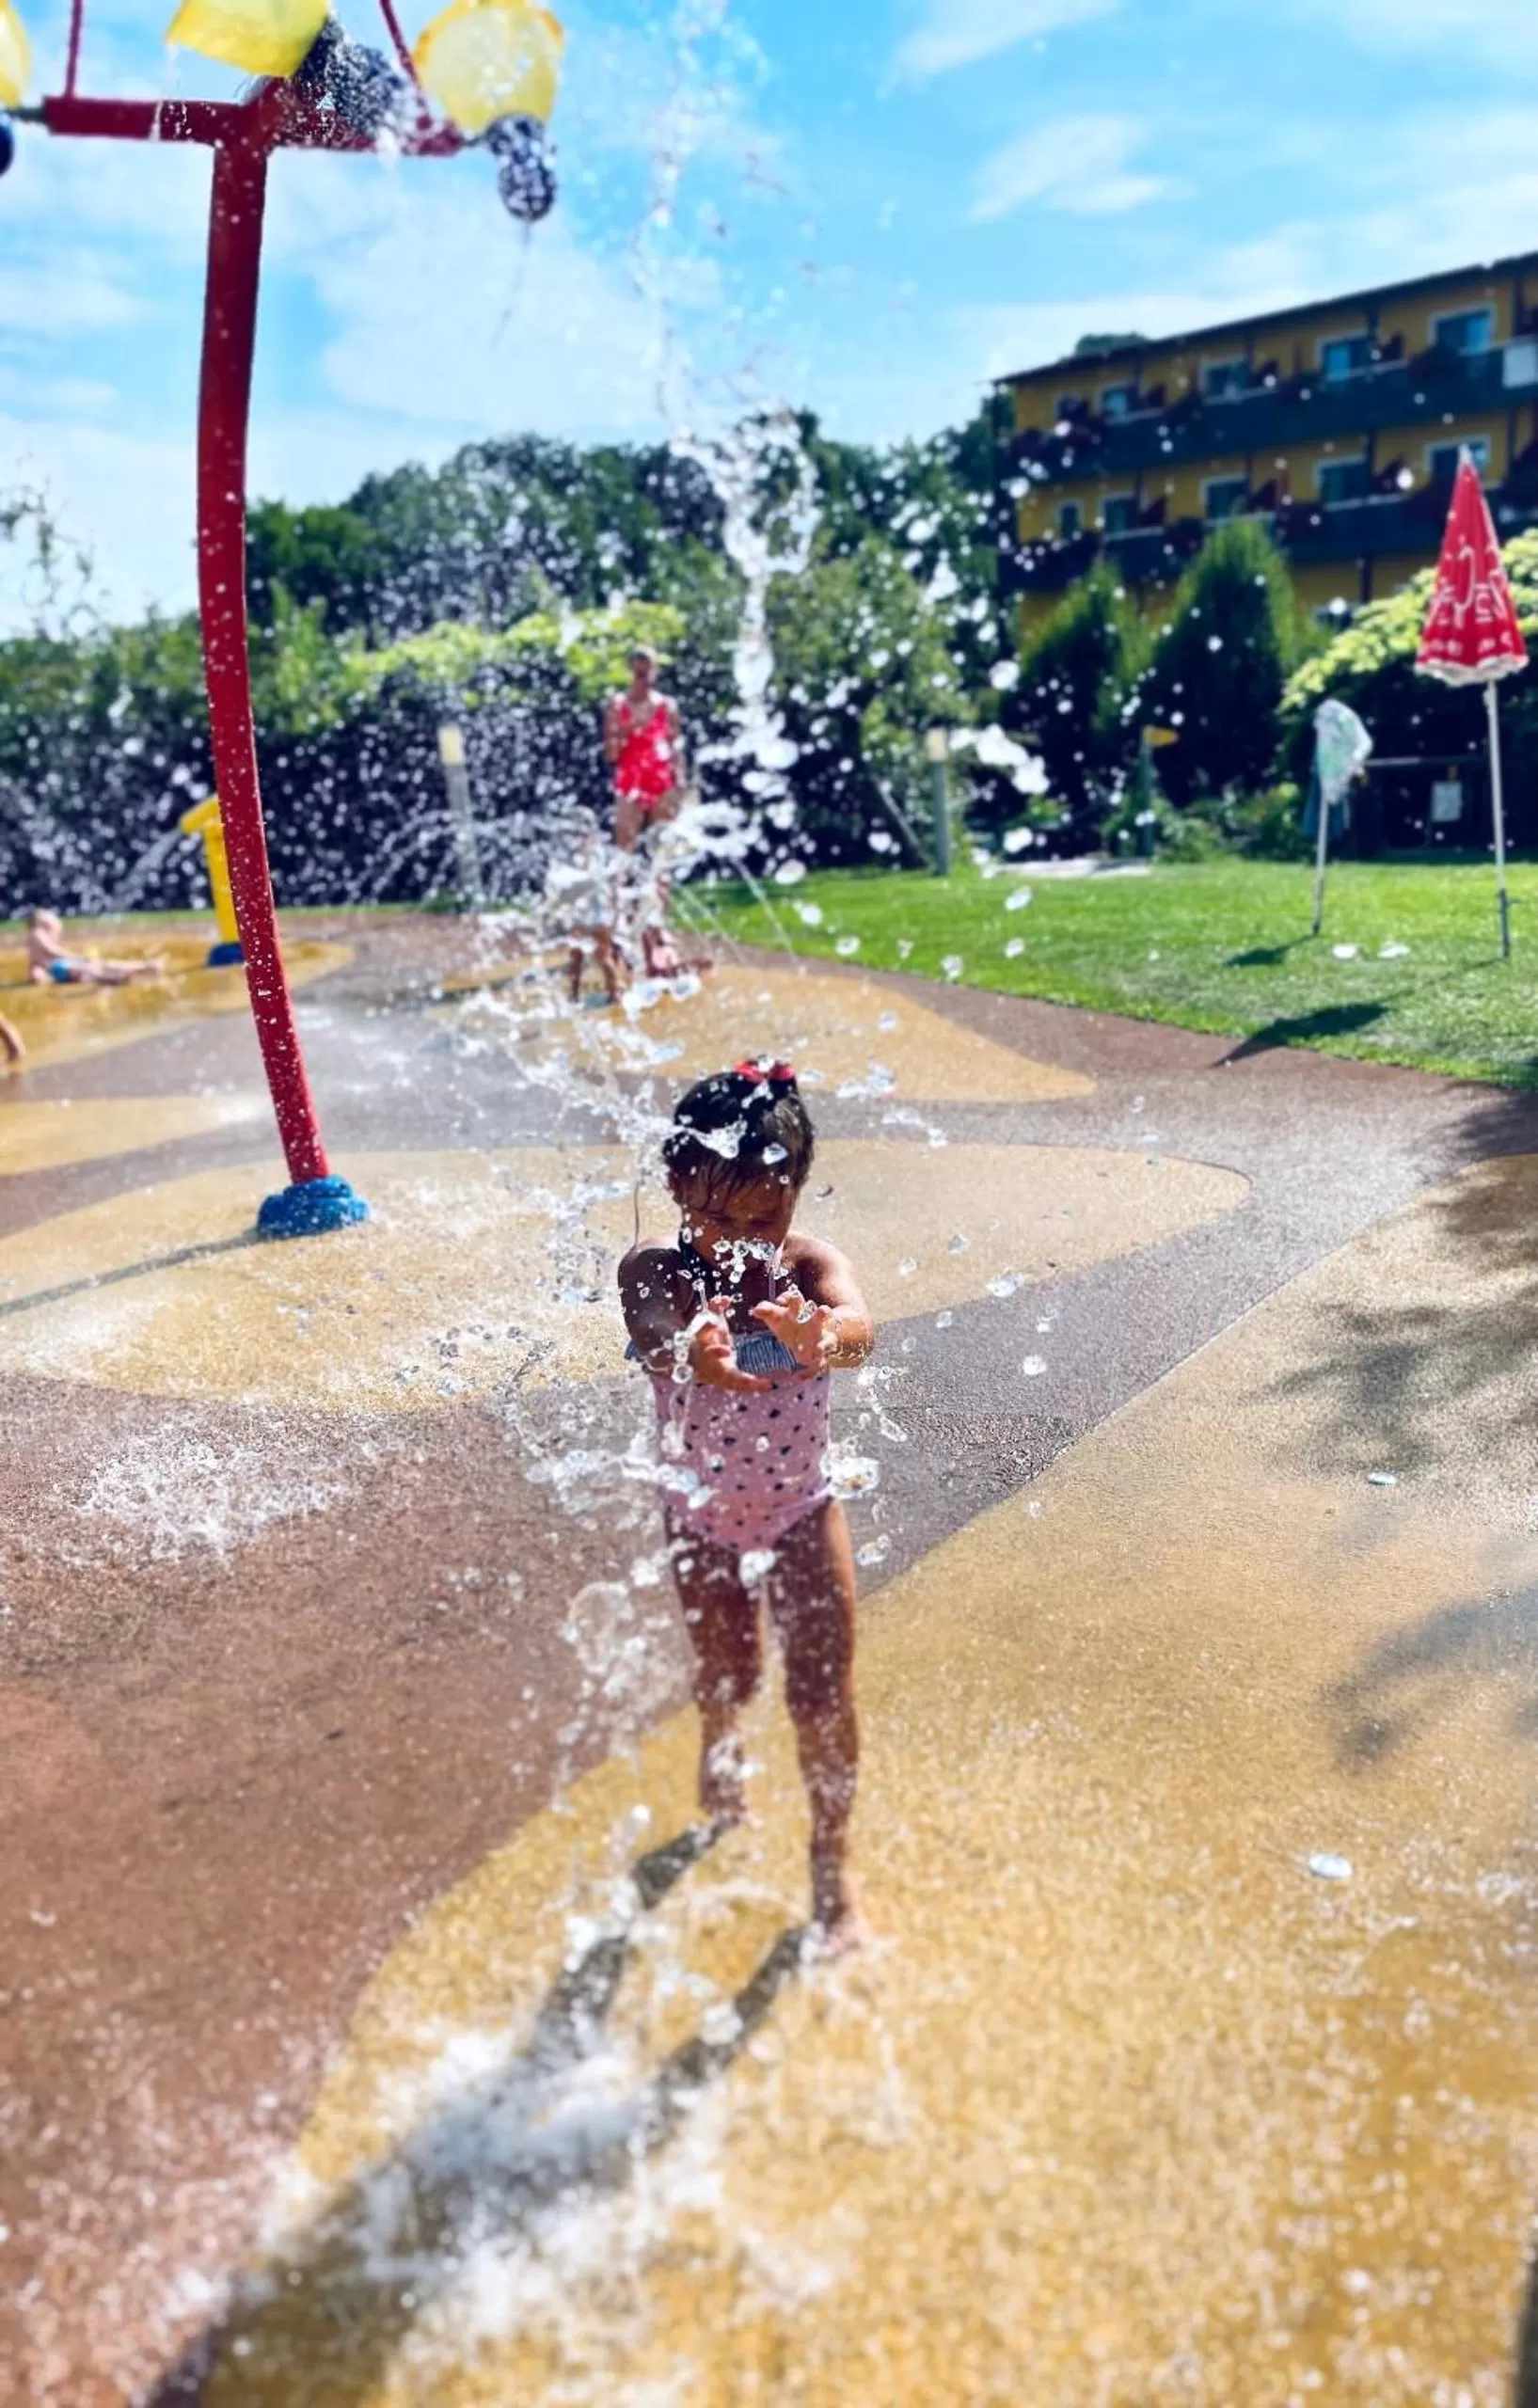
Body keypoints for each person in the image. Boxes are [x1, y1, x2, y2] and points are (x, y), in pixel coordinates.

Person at [618, 1060, 874, 1949]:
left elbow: (857, 1334)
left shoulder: (809, 1266)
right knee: (731, 1673)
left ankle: (829, 1864)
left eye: (761, 1218)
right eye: (714, 1217)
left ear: (796, 1193)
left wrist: (824, 1335)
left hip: (803, 1507)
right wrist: (694, 1354)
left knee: (821, 1693)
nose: (736, 1240)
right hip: (698, 1514)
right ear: (677, 1187)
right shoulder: (654, 1269)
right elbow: (652, 1335)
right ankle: (719, 1740)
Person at [604, 648, 682, 854]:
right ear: (630, 671)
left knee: (663, 847)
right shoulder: (618, 706)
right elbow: (611, 755)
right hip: (630, 779)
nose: (644, 680)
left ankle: (660, 885)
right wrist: (623, 733)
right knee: (624, 847)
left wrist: (680, 784)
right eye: (640, 675)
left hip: (661, 778)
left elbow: (675, 749)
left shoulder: (667, 706)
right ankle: (620, 885)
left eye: (648, 674)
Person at [543, 816, 626, 1006]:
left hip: (587, 912)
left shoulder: (577, 855)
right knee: (593, 955)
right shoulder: (599, 852)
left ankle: (578, 995)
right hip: (595, 912)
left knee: (582, 956)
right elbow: (611, 884)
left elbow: (562, 884)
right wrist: (615, 908)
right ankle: (612, 992)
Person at [26, 908, 165, 987]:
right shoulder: (36, 932)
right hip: (59, 966)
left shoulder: (35, 937)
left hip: (58, 968)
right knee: (94, 968)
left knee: (92, 970)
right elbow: (51, 951)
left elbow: (38, 963)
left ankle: (140, 968)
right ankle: (143, 967)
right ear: (38, 921)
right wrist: (76, 956)